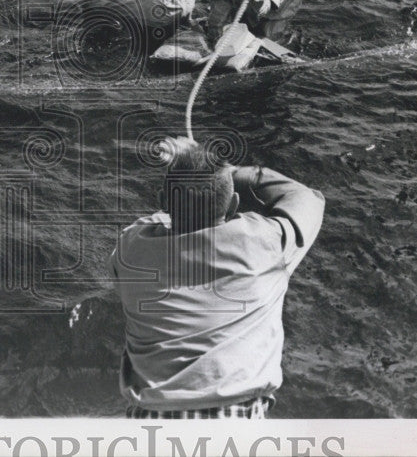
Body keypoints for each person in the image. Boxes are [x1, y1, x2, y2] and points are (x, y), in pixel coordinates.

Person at [109, 137, 325, 418]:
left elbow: (152, 222)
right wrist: (232, 172)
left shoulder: (131, 250)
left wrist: (189, 172)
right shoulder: (265, 242)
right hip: (233, 422)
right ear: (234, 204)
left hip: (150, 421)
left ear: (163, 202)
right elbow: (307, 197)